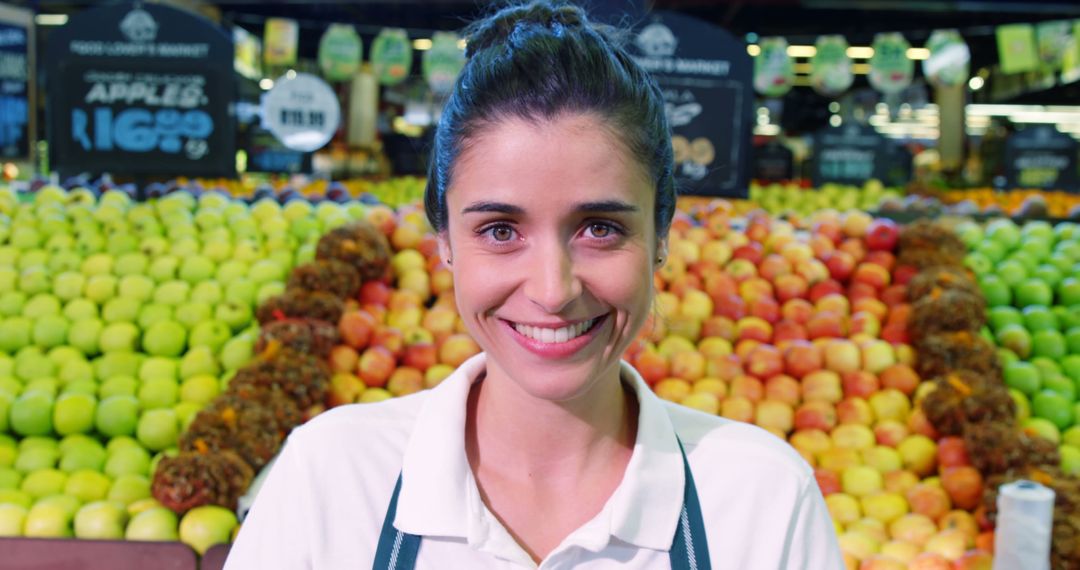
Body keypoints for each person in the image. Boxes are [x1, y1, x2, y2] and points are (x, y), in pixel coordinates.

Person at [225, 2, 843, 568]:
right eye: (499, 231)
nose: (553, 290)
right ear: (443, 239)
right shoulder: (330, 479)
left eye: (599, 228)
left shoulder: (762, 500)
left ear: (660, 235)